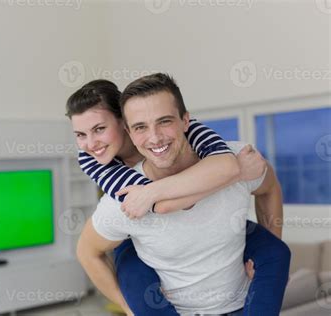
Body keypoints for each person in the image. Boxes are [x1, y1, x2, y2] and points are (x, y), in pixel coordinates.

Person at [68, 75, 290, 315]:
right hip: (135, 237)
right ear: (129, 128)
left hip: (232, 282)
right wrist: (126, 306)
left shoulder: (205, 139)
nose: (91, 143)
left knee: (276, 252)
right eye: (81, 134)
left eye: (99, 129)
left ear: (185, 120)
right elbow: (161, 206)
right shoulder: (99, 166)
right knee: (135, 278)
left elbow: (236, 171)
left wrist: (233, 173)